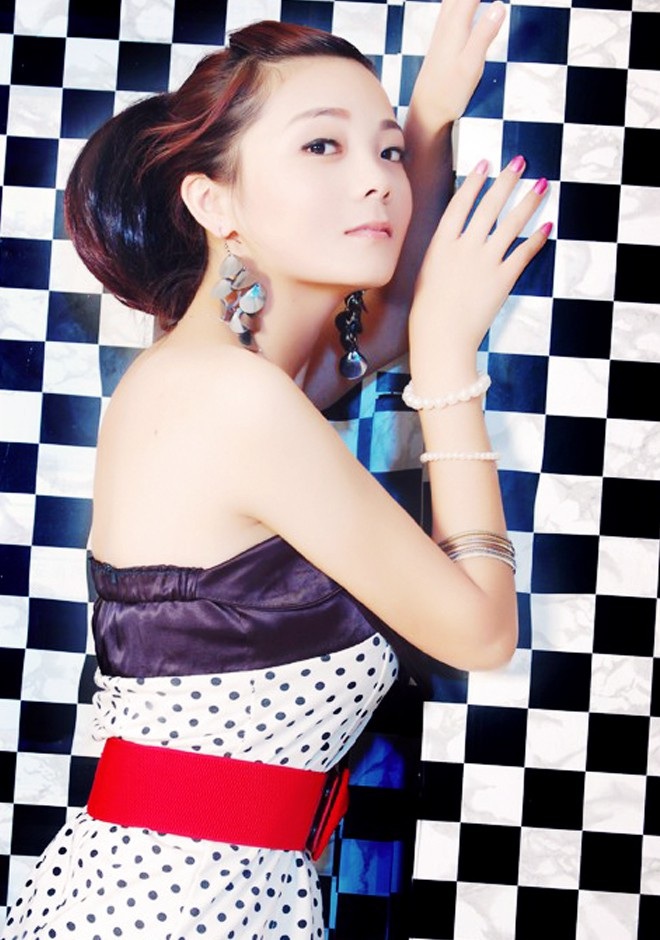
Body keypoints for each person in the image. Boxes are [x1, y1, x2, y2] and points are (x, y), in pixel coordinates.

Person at [4, 3, 552, 938]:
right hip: (167, 906)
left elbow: (379, 323)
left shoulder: (236, 370)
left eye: (384, 154)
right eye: (321, 147)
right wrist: (448, 359)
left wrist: (424, 120)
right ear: (214, 203)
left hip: (226, 890)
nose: (377, 180)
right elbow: (481, 631)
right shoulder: (229, 397)